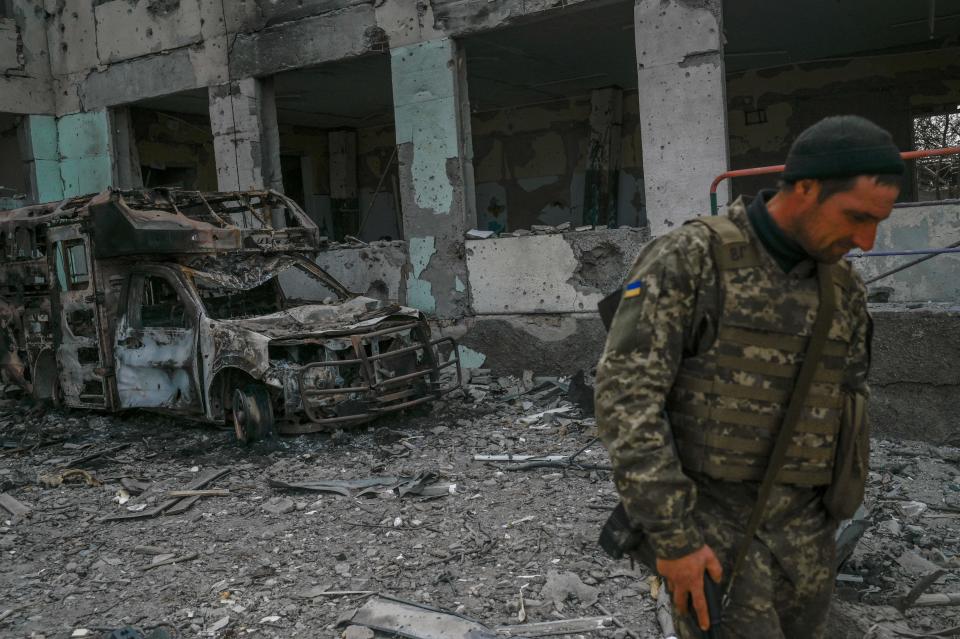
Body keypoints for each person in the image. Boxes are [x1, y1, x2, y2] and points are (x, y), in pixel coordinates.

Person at [595, 115, 904, 638]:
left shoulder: (843, 287)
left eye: (877, 222)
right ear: (805, 188)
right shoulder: (693, 259)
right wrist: (674, 539)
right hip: (714, 532)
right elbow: (627, 401)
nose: (867, 241)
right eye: (855, 217)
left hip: (808, 537)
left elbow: (848, 398)